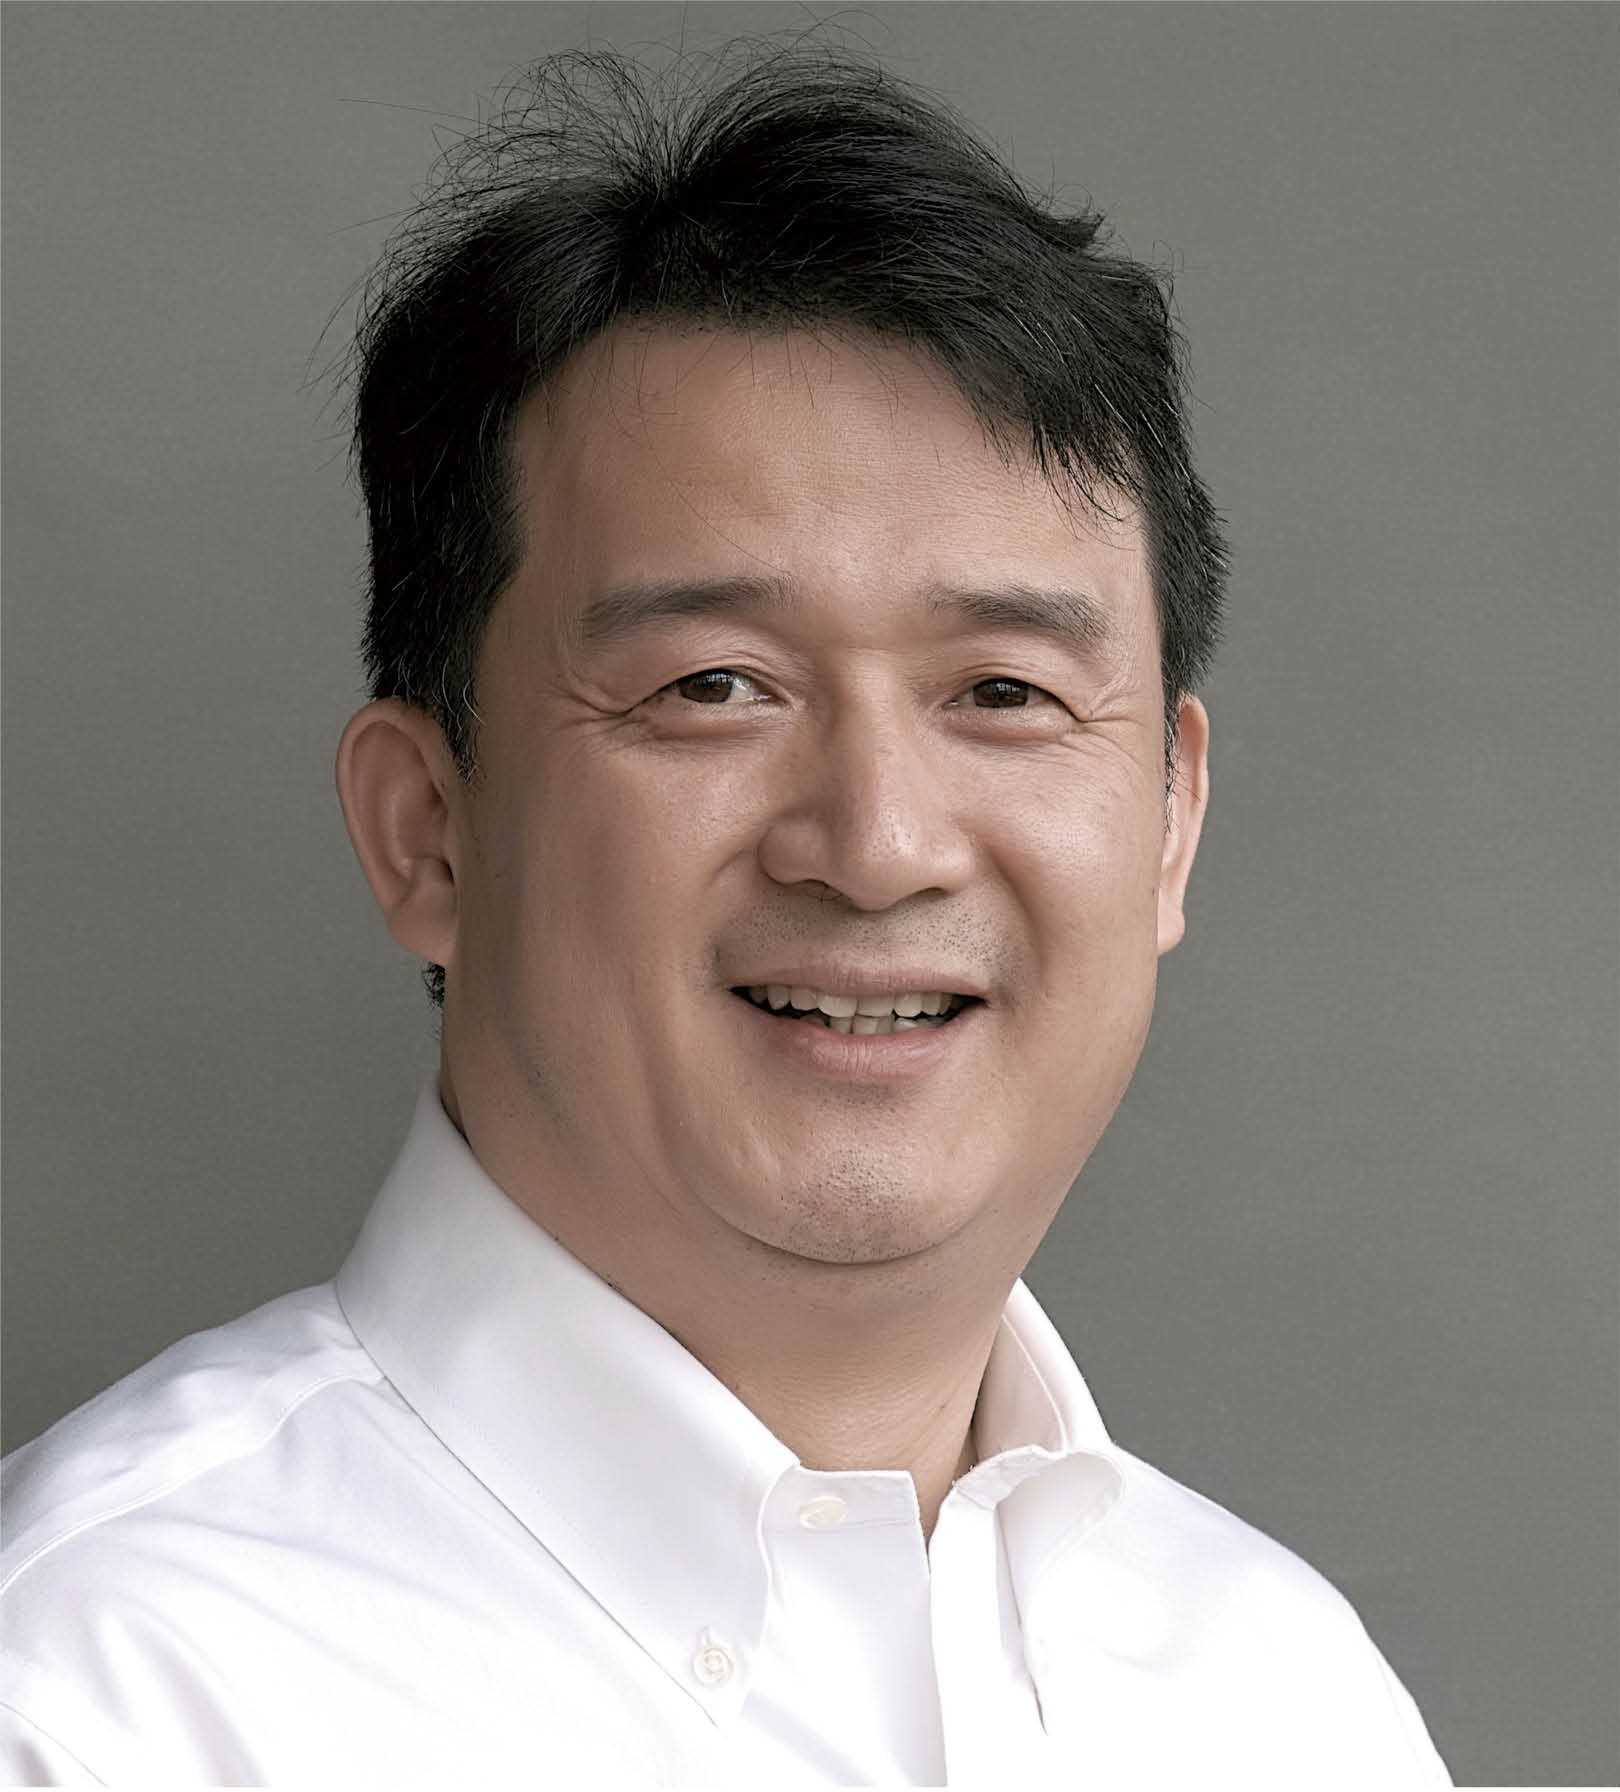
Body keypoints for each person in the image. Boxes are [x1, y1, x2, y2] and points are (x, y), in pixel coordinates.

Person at [0, 45, 1451, 1787]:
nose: (880, 846)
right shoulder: (97, 1692)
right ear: (426, 833)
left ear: (1168, 827)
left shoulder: (1288, 1703)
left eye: (1004, 691)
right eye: (713, 686)